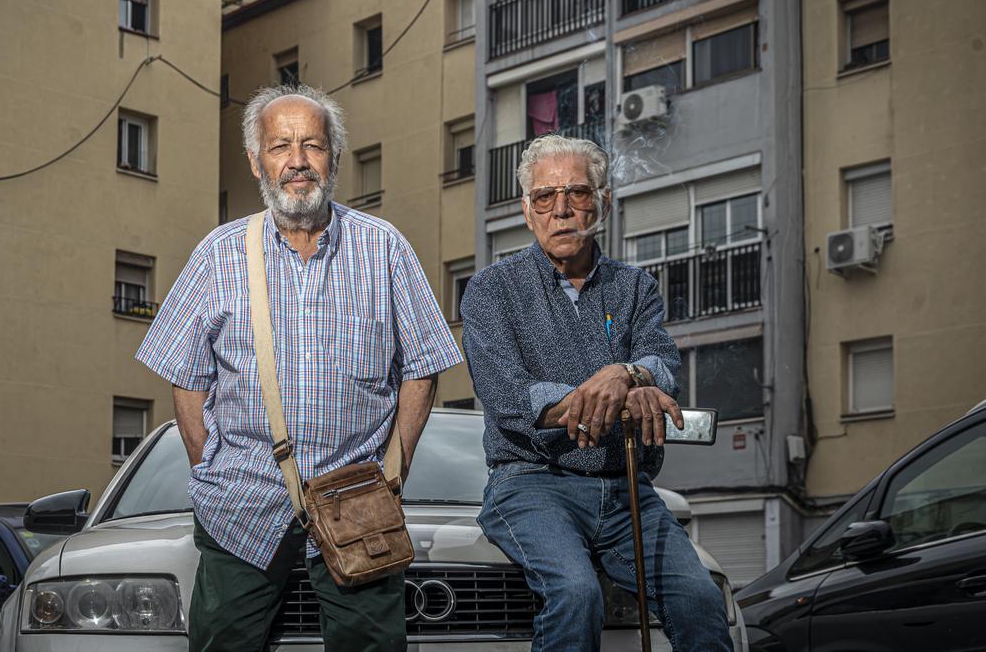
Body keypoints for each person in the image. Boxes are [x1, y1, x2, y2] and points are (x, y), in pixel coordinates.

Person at [135, 83, 462, 652]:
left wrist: (392, 472)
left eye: (311, 145)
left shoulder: (384, 248)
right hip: (239, 507)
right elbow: (184, 375)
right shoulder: (219, 253)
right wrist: (210, 470)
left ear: (333, 156)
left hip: (358, 501)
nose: (297, 161)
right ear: (255, 160)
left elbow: (424, 367)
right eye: (280, 145)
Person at [461, 134, 733, 652]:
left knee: (700, 597)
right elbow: (507, 396)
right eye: (545, 197)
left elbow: (662, 363)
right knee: (576, 591)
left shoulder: (635, 287)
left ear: (603, 204)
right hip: (530, 484)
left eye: (578, 193)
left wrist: (628, 373)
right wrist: (614, 388)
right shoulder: (492, 289)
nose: (561, 210)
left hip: (625, 485)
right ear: (527, 210)